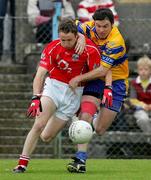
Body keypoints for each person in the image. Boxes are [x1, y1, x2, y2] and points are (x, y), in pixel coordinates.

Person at [13, 18, 112, 173]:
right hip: (54, 87)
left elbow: (103, 69)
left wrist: (107, 87)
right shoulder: (52, 47)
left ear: (76, 35)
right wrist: (35, 97)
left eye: (69, 40)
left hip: (74, 94)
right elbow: (39, 75)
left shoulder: (89, 49)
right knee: (39, 124)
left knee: (46, 137)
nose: (65, 43)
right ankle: (22, 164)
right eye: (62, 39)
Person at [67, 8, 129, 173]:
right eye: (98, 26)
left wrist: (78, 79)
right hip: (95, 81)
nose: (101, 30)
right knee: (84, 116)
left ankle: (90, 120)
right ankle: (80, 160)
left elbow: (103, 70)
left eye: (105, 26)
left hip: (115, 83)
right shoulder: (89, 27)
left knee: (100, 129)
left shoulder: (116, 41)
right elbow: (71, 25)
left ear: (112, 24)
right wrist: (80, 36)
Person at [129, 55, 151, 132]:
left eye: (146, 69)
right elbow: (133, 100)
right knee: (143, 119)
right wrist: (143, 105)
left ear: (150, 70)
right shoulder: (134, 83)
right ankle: (149, 138)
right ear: (137, 70)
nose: (143, 71)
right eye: (141, 69)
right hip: (140, 109)